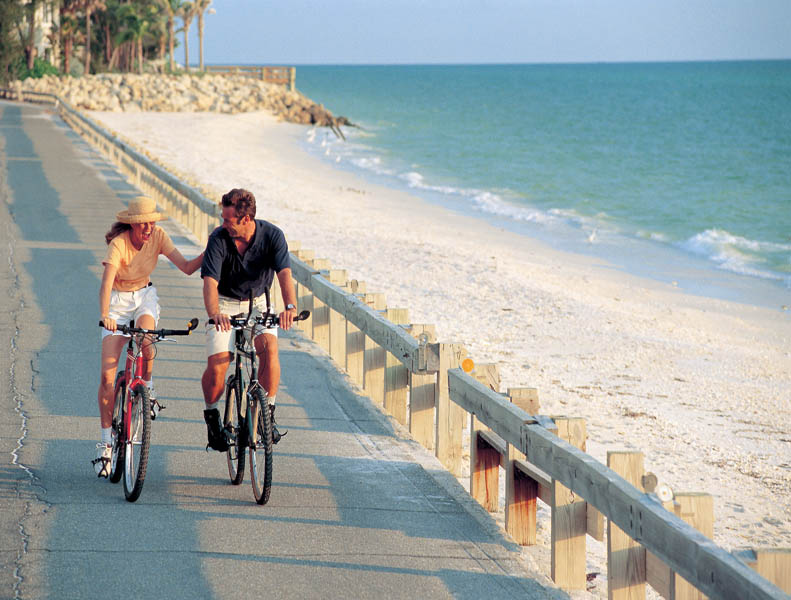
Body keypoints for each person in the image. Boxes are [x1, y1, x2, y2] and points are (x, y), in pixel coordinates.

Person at [94, 196, 204, 477]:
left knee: (146, 338)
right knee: (108, 377)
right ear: (131, 224)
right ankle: (106, 444)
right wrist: (106, 313)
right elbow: (106, 284)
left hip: (144, 296)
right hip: (117, 303)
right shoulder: (119, 244)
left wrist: (213, 247)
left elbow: (188, 267)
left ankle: (148, 388)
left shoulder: (158, 236)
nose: (148, 228)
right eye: (143, 223)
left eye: (152, 222)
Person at [200, 188, 297, 451]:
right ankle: (211, 415)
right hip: (224, 303)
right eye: (223, 218)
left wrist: (290, 306)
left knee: (270, 350)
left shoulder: (273, 236)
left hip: (259, 302)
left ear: (246, 219)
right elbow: (210, 282)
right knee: (219, 366)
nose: (223, 224)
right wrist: (214, 314)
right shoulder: (219, 238)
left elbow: (284, 275)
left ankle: (268, 414)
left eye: (228, 220)